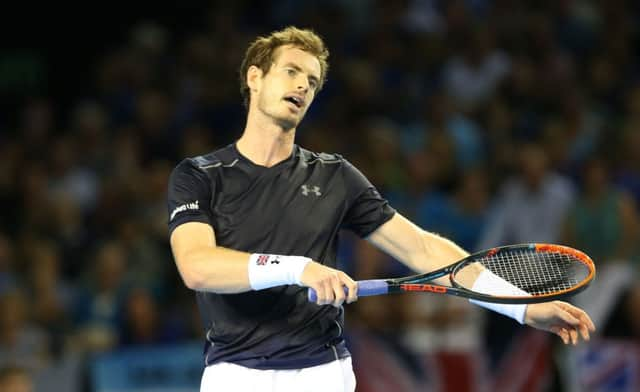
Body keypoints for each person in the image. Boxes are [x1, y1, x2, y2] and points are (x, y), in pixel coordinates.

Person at [167, 26, 595, 392]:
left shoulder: (335, 177)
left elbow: (426, 251)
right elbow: (198, 267)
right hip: (234, 375)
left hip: (323, 373)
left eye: (312, 81)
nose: (302, 85)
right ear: (254, 77)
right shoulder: (201, 175)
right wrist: (297, 269)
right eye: (292, 71)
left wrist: (523, 307)